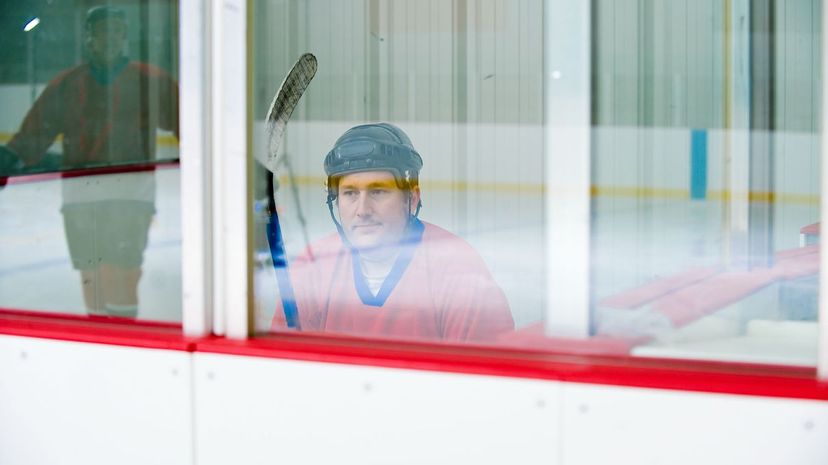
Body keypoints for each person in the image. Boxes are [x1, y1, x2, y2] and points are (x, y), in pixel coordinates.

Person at [0, 6, 179, 317]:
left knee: (124, 267)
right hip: (80, 194)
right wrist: (10, 157)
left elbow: (189, 123)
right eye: (101, 31)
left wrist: (233, 160)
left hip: (131, 193)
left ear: (124, 37)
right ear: (89, 38)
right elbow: (36, 132)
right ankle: (98, 332)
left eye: (116, 31)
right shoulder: (68, 85)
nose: (109, 38)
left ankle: (124, 336)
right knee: (89, 269)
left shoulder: (149, 80)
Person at [271, 123, 514, 342]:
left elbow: (486, 379)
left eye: (378, 191)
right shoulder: (315, 265)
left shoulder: (457, 267)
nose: (362, 210)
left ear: (412, 197)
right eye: (350, 194)